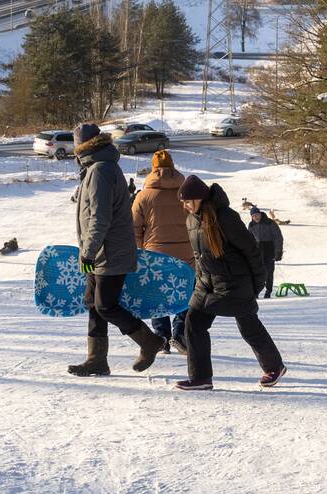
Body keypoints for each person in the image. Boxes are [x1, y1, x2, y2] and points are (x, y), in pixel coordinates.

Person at [66, 124, 166, 378]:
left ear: (82, 147)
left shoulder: (100, 170)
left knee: (106, 305)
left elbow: (100, 218)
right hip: (98, 251)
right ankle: (96, 359)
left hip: (109, 252)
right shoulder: (96, 168)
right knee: (93, 303)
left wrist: (88, 251)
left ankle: (149, 341)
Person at [174, 174, 286, 391]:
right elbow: (200, 256)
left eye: (188, 202)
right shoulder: (191, 220)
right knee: (194, 323)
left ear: (200, 199)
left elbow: (251, 250)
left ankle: (274, 366)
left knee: (248, 326)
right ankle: (200, 378)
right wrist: (199, 280)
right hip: (206, 283)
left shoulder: (225, 217)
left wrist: (257, 283)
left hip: (234, 283)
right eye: (184, 203)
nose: (186, 207)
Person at [132, 150, 191, 355]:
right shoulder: (185, 193)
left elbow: (134, 228)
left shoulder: (143, 196)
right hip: (186, 252)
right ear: (173, 165)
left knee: (158, 295)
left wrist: (142, 249)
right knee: (184, 293)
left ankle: (162, 337)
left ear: (153, 167)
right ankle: (181, 334)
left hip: (155, 254)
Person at [248, 206, 284, 299]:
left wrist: (278, 252)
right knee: (257, 273)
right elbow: (249, 240)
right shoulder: (251, 226)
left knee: (269, 272)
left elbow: (278, 238)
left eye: (257, 215)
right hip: (258, 253)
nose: (255, 217)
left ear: (260, 214)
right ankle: (255, 292)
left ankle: (268, 291)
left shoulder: (270, 223)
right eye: (253, 216)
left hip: (270, 251)